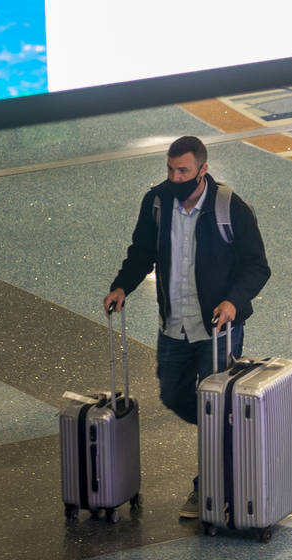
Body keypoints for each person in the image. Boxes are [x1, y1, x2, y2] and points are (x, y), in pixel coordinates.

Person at [103, 135, 270, 519]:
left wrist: (233, 301)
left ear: (202, 170)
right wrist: (121, 286)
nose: (174, 177)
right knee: (174, 394)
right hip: (173, 327)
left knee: (216, 407)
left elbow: (257, 266)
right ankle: (233, 434)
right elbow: (142, 251)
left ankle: (212, 483)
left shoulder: (230, 207)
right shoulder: (157, 203)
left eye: (183, 171)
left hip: (217, 330)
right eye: (170, 168)